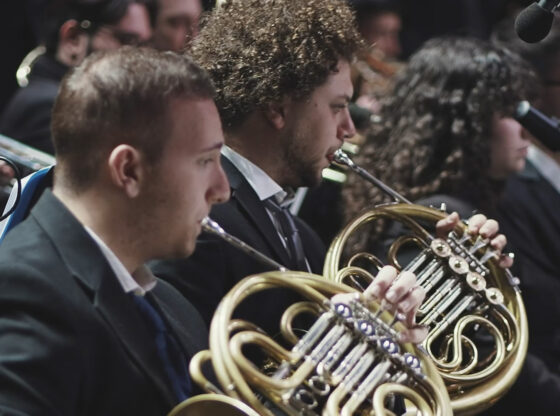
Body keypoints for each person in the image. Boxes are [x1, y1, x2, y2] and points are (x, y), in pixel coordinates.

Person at [150, 0, 510, 346]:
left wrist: (428, 293)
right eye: (338, 107)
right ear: (277, 107)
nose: (350, 129)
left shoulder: (303, 238)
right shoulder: (202, 223)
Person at [0, 46, 230, 415]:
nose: (222, 190)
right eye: (205, 161)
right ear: (128, 170)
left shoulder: (173, 305)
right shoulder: (22, 291)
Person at [341, 36, 560, 414]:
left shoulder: (486, 203)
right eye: (508, 112)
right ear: (466, 124)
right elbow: (483, 358)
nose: (526, 131)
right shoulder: (435, 221)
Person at [0, 0, 153, 155]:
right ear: (73, 38)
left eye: (144, 45)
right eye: (126, 41)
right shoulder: (48, 107)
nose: (140, 59)